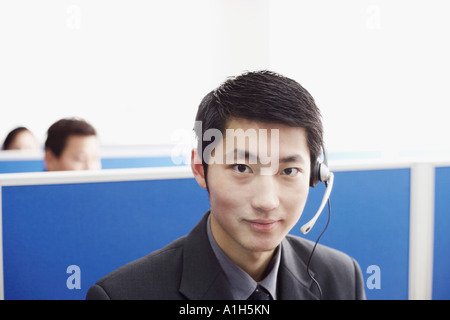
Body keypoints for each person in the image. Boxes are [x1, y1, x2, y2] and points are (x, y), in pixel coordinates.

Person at [86, 70, 366, 300]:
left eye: (289, 170)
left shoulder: (341, 279)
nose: (267, 202)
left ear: (315, 176)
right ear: (200, 168)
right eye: (242, 168)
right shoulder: (123, 295)